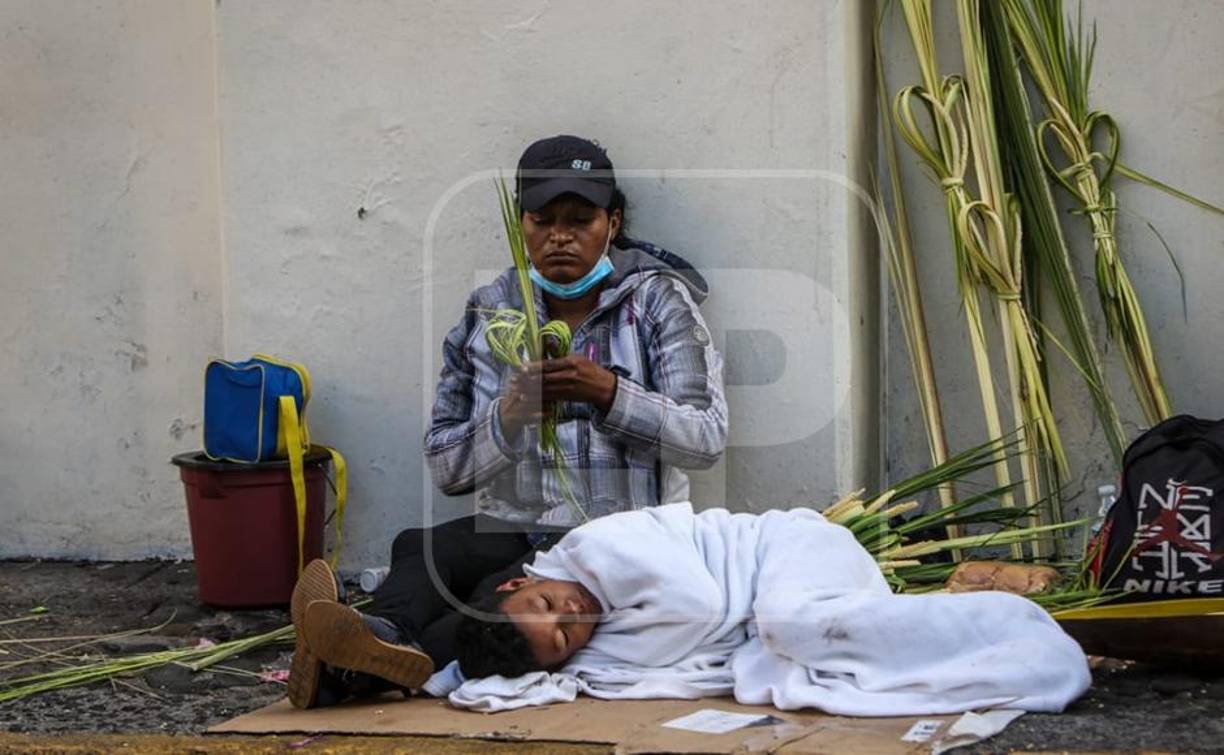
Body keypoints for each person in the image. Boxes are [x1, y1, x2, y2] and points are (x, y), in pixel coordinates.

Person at [287, 135, 729, 708]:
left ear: (613, 223)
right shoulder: (489, 311)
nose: (561, 236)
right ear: (520, 225)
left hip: (608, 540)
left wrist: (610, 394)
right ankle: (378, 639)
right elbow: (447, 466)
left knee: (492, 605)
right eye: (543, 220)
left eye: (581, 220)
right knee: (423, 551)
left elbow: (706, 438)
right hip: (514, 525)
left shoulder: (658, 303)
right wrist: (510, 418)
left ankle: (345, 671)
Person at [442, 503, 1092, 717]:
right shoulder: (591, 632)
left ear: (513, 585)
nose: (574, 614)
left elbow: (696, 606)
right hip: (771, 601)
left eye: (549, 603)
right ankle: (962, 625)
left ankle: (1007, 626)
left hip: (789, 551)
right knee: (787, 665)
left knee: (793, 628)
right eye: (563, 638)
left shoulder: (592, 549)